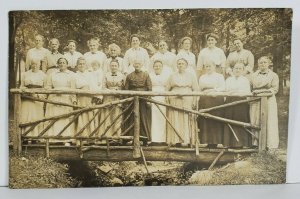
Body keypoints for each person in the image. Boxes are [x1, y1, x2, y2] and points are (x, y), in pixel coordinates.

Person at [166, 58, 198, 147]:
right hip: (175, 98)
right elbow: (167, 88)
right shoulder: (172, 75)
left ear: (186, 66)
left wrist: (195, 100)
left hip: (187, 98)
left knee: (187, 117)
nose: (180, 65)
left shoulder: (191, 76)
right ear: (176, 65)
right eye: (179, 64)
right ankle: (176, 140)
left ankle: (188, 140)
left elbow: (195, 89)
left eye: (182, 64)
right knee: (175, 117)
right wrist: (168, 98)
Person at [45, 57, 76, 146]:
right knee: (55, 117)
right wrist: (52, 91)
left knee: (65, 118)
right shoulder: (53, 74)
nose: (62, 64)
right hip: (54, 97)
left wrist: (74, 100)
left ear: (67, 64)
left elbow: (73, 88)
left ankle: (66, 139)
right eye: (60, 62)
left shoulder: (71, 74)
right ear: (58, 64)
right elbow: (48, 86)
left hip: (66, 98)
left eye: (64, 62)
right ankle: (53, 139)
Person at [250, 56, 279, 149]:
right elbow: (251, 88)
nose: (263, 64)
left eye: (265, 62)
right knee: (255, 120)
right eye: (261, 63)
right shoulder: (253, 75)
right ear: (258, 64)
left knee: (269, 120)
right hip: (255, 100)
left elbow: (274, 89)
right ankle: (256, 143)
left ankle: (269, 145)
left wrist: (261, 92)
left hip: (269, 100)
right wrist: (255, 93)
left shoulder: (273, 75)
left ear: (269, 64)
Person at [223, 63, 252, 148]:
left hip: (241, 102)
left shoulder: (245, 80)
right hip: (230, 101)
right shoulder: (229, 80)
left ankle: (241, 143)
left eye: (240, 68)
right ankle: (229, 143)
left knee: (240, 121)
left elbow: (247, 92)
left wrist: (235, 92)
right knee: (229, 121)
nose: (237, 70)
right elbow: (226, 90)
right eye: (236, 68)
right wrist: (233, 92)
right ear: (233, 70)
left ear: (243, 70)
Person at [198, 60, 225, 148]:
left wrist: (214, 90)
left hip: (216, 99)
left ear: (214, 67)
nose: (208, 68)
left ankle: (216, 141)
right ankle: (207, 141)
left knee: (215, 120)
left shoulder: (219, 76)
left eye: (210, 66)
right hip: (205, 99)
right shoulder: (202, 77)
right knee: (205, 119)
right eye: (206, 66)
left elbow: (223, 87)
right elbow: (199, 88)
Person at [124, 58, 152, 143]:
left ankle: (144, 138)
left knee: (143, 118)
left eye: (139, 64)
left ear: (142, 65)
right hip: (132, 99)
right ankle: (131, 138)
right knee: (132, 118)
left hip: (143, 99)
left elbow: (149, 88)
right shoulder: (129, 76)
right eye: (135, 64)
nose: (137, 65)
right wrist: (126, 101)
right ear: (133, 65)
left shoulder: (146, 75)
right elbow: (126, 89)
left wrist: (148, 100)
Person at [20, 59, 46, 139]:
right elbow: (22, 86)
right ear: (30, 65)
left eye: (36, 64)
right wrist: (27, 91)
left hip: (38, 98)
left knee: (37, 116)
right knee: (27, 116)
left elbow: (45, 88)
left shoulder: (43, 75)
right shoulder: (25, 74)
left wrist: (39, 95)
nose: (34, 66)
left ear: (39, 65)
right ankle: (26, 136)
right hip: (27, 98)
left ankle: (37, 137)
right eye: (33, 64)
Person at [149, 60, 172, 145]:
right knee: (153, 118)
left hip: (163, 96)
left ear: (162, 67)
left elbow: (168, 87)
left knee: (162, 117)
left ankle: (163, 140)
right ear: (153, 67)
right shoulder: (150, 75)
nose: (157, 67)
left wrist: (167, 96)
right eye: (156, 66)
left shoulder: (167, 75)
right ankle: (154, 139)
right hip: (153, 96)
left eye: (159, 66)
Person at [101, 60, 126, 139]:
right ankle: (106, 137)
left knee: (117, 116)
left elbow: (124, 88)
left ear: (118, 67)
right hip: (108, 97)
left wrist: (118, 91)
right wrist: (111, 91)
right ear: (110, 66)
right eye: (112, 65)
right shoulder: (106, 75)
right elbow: (103, 87)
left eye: (115, 66)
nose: (114, 67)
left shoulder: (122, 76)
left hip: (118, 97)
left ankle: (117, 137)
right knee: (107, 116)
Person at [74, 57, 94, 138]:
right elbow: (73, 88)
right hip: (80, 98)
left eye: (83, 64)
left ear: (86, 65)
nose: (81, 65)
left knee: (89, 116)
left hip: (89, 98)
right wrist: (74, 100)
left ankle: (90, 137)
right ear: (77, 65)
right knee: (80, 117)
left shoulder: (90, 74)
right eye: (80, 64)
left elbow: (93, 87)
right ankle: (81, 137)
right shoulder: (74, 75)